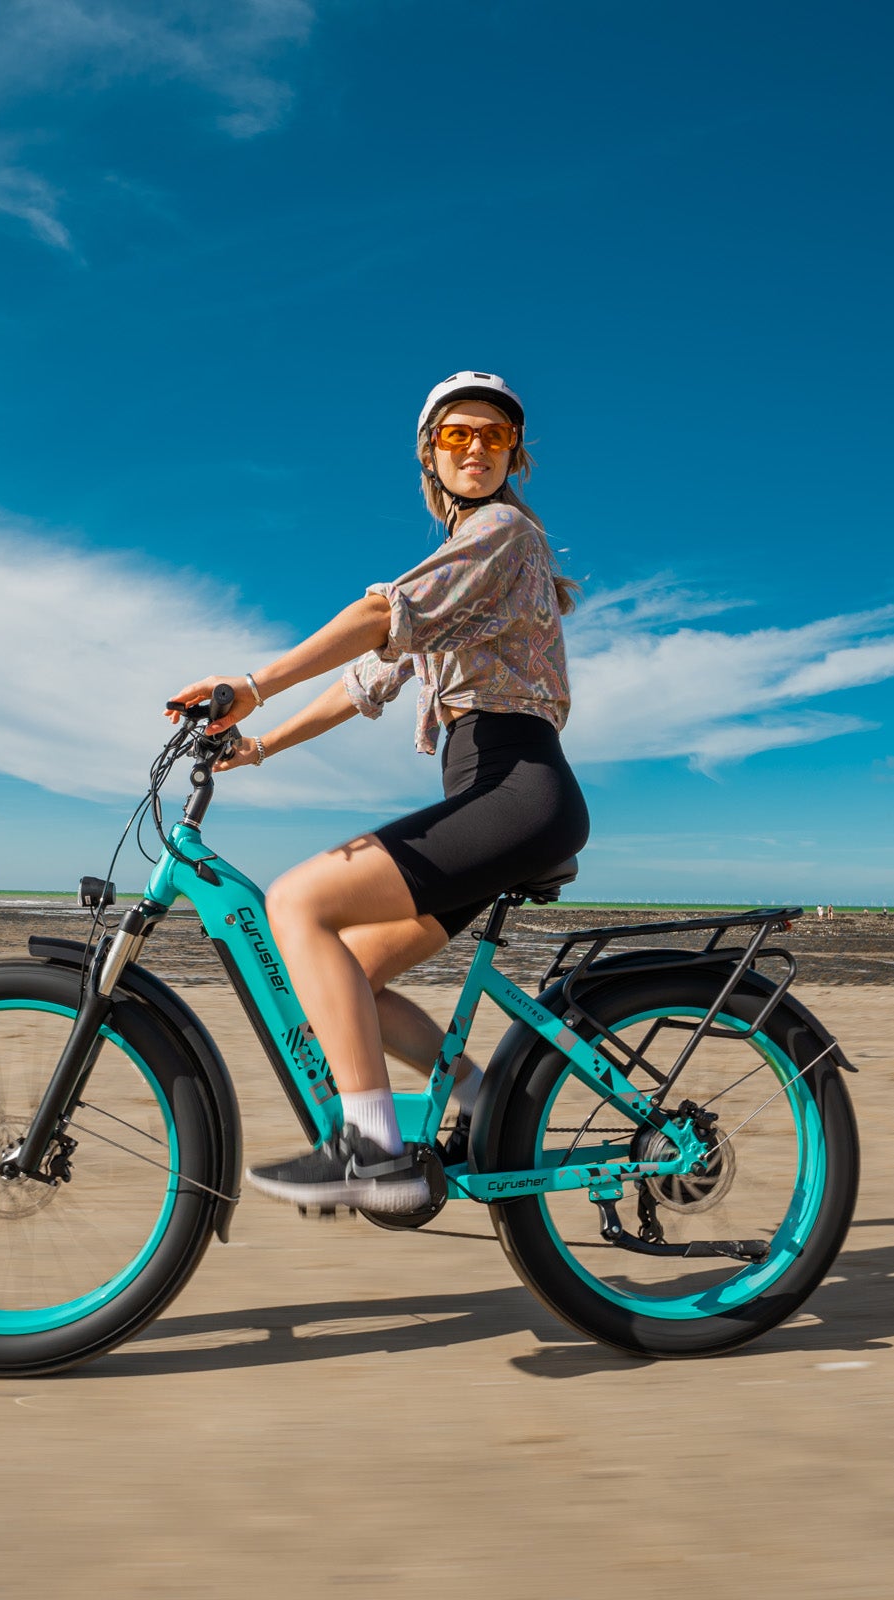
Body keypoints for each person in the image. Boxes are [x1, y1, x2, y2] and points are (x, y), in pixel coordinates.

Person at [166, 372, 587, 1214]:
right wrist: (258, 747)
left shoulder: (501, 533)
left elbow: (376, 618)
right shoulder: (467, 573)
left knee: (297, 903)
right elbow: (365, 677)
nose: (477, 447)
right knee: (345, 976)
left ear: (515, 454)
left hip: (515, 788)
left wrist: (253, 684)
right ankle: (479, 1097)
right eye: (458, 434)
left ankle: (372, 1152)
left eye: (495, 436)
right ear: (431, 455)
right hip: (496, 795)